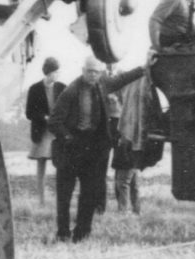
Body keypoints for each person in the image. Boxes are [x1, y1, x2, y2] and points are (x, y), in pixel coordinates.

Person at [50, 56, 148, 242]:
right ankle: (63, 233)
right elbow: (54, 122)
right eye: (90, 71)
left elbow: (122, 79)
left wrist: (144, 68)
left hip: (92, 148)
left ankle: (82, 234)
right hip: (70, 148)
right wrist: (69, 138)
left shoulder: (102, 84)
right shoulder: (70, 91)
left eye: (97, 72)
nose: (93, 75)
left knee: (89, 192)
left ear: (101, 73)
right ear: (83, 70)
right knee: (65, 195)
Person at [110, 59, 159, 216]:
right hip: (126, 137)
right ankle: (136, 211)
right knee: (132, 180)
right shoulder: (131, 87)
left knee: (123, 181)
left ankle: (123, 212)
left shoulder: (130, 86)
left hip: (127, 138)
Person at [24, 57, 64, 205]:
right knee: (41, 167)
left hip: (58, 132)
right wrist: (44, 117)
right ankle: (41, 201)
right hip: (42, 133)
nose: (58, 75)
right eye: (56, 72)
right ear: (48, 72)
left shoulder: (62, 87)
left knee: (60, 166)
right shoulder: (34, 89)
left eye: (58, 72)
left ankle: (60, 199)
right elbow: (29, 113)